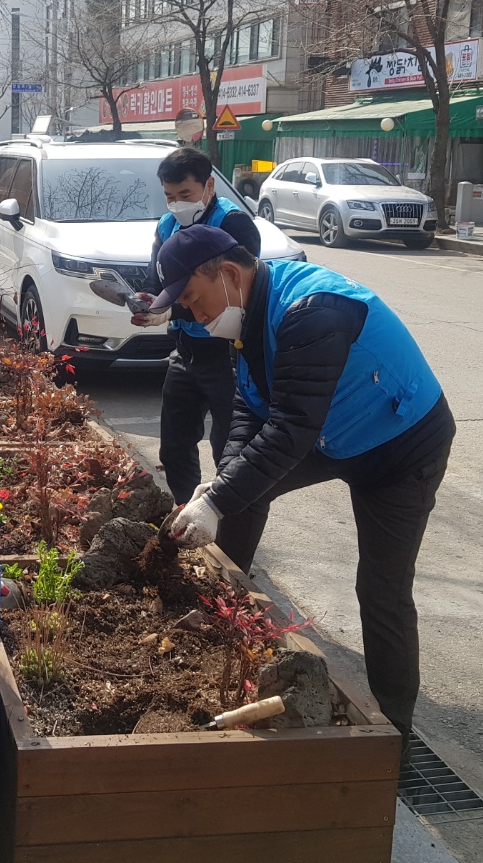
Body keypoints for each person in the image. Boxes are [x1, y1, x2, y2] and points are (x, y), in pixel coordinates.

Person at [152, 224, 455, 744]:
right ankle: (225, 620)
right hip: (331, 432)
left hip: (400, 446)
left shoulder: (313, 311)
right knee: (242, 493)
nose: (194, 316)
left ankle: (395, 734)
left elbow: (291, 428)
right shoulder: (244, 313)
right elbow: (251, 404)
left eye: (194, 300)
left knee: (382, 590)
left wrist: (221, 497)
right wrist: (222, 485)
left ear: (226, 274)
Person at [131, 147, 262, 505]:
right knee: (174, 446)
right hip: (186, 351)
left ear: (209, 185)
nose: (177, 204)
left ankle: (226, 518)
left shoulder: (233, 224)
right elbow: (159, 282)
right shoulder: (167, 224)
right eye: (169, 196)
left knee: (229, 448)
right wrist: (150, 302)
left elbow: (238, 297)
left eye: (185, 195)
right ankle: (186, 511)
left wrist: (171, 312)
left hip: (227, 354)